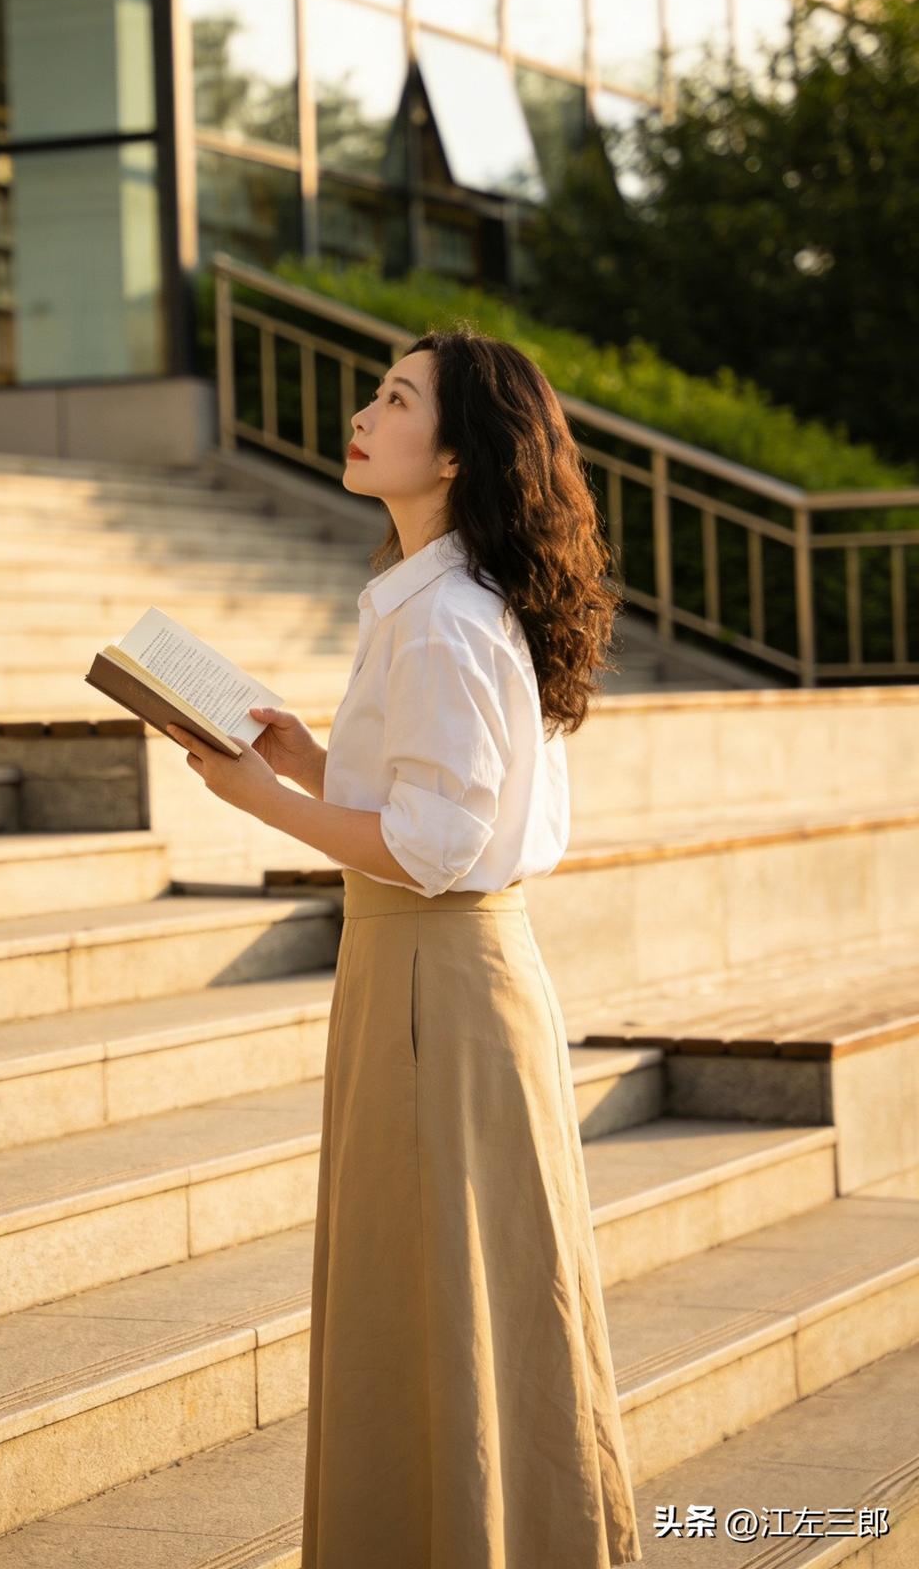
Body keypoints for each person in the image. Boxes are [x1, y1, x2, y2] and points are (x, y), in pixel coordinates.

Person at [165, 319, 641, 1567]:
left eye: (394, 399)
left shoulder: (439, 618)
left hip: (435, 976)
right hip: (434, 972)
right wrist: (313, 763)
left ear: (455, 456)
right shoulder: (445, 600)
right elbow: (441, 812)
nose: (364, 414)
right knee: (454, 1298)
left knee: (443, 1299)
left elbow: (433, 846)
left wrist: (266, 803)